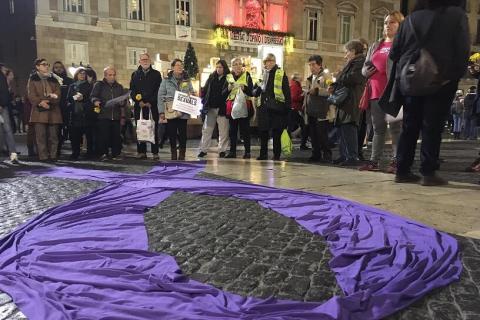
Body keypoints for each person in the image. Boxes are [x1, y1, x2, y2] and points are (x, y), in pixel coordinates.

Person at [391, 0, 469, 186]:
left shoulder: (411, 18)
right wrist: (452, 75)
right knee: (432, 126)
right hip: (441, 78)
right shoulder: (456, 15)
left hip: (411, 79)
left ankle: (402, 170)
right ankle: (428, 171)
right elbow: (462, 49)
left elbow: (395, 52)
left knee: (410, 125)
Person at [359, 11, 405, 173]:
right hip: (375, 92)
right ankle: (374, 161)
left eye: (392, 22)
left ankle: (397, 161)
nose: (388, 25)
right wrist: (366, 71)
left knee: (395, 129)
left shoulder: (401, 45)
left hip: (393, 93)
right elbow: (365, 66)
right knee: (378, 129)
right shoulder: (376, 45)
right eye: (386, 22)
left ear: (400, 25)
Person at [333, 40, 367, 166]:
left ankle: (352, 156)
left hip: (352, 99)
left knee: (349, 126)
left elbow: (353, 78)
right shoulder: (353, 62)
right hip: (346, 99)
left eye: (347, 52)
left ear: (353, 51)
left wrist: (339, 76)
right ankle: (344, 155)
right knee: (343, 127)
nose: (345, 55)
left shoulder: (360, 62)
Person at [254, 53, 291, 161]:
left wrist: (287, 109)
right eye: (266, 61)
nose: (268, 63)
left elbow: (286, 92)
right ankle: (263, 154)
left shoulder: (280, 73)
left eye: (271, 61)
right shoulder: (262, 74)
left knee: (276, 132)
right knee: (263, 132)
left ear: (274, 62)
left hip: (277, 107)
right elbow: (255, 92)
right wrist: (258, 89)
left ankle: (276, 154)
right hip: (264, 107)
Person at [158, 59, 196, 160]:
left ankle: (182, 153)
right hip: (171, 110)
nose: (180, 67)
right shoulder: (166, 80)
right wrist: (161, 111)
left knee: (183, 134)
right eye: (177, 65)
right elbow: (160, 96)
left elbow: (192, 92)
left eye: (181, 65)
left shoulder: (187, 80)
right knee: (172, 133)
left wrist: (192, 94)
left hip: (183, 110)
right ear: (173, 67)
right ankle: (173, 153)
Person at [27, 58, 62, 162]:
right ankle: (43, 156)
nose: (46, 66)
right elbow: (31, 94)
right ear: (37, 66)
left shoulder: (54, 79)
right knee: (40, 136)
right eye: (44, 64)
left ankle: (53, 155)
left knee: (53, 135)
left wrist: (50, 100)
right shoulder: (33, 79)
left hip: (53, 110)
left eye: (47, 64)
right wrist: (40, 102)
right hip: (39, 111)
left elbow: (58, 94)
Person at [130, 53, 162, 160]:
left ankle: (155, 152)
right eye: (143, 59)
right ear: (139, 61)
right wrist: (138, 101)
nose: (145, 61)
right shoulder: (135, 74)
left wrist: (151, 101)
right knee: (140, 128)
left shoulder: (156, 74)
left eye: (147, 59)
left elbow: (158, 90)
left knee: (153, 128)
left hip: (152, 107)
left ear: (150, 61)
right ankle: (141, 151)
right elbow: (132, 90)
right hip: (139, 106)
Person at [91, 66, 127, 161]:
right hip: (103, 114)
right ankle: (104, 153)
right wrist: (96, 101)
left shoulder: (119, 87)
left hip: (115, 115)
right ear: (105, 76)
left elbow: (124, 101)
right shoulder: (99, 85)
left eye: (114, 75)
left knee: (116, 136)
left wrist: (122, 102)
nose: (112, 77)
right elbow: (93, 96)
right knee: (104, 136)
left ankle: (116, 154)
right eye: (110, 75)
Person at [198, 59, 230, 158]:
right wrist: (202, 97)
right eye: (217, 67)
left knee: (223, 130)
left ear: (224, 68)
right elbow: (205, 89)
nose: (218, 69)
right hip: (211, 107)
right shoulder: (212, 77)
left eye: (220, 67)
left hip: (222, 108)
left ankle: (222, 150)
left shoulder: (229, 78)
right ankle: (203, 149)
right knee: (207, 129)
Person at [304, 55, 332, 162]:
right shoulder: (310, 78)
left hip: (321, 110)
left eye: (313, 65)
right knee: (313, 135)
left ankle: (327, 155)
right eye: (310, 65)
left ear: (319, 65)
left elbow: (330, 91)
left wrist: (317, 91)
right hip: (311, 110)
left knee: (322, 135)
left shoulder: (326, 76)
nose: (311, 67)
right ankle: (316, 154)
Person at [225, 57, 254, 159]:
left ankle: (247, 152)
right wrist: (228, 89)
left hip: (244, 107)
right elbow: (223, 93)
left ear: (242, 66)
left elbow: (252, 92)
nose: (237, 66)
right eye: (235, 64)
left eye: (239, 64)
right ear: (232, 67)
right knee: (232, 131)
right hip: (232, 107)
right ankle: (232, 152)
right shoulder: (228, 77)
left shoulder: (247, 76)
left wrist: (244, 88)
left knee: (245, 130)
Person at [66, 68, 93, 160]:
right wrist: (75, 98)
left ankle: (89, 153)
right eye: (80, 73)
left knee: (89, 135)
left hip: (85, 114)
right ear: (76, 75)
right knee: (75, 136)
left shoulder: (89, 86)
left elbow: (91, 99)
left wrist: (83, 99)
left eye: (84, 73)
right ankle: (75, 153)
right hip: (75, 113)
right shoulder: (72, 86)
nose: (82, 75)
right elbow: (68, 98)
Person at [52, 61, 73, 158]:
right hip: (55, 109)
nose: (58, 69)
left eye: (60, 67)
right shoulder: (51, 80)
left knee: (70, 130)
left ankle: (74, 151)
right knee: (56, 131)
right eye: (56, 67)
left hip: (67, 109)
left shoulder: (69, 81)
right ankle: (56, 151)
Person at [0, 63, 19, 163]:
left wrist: (1, 104)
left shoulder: (1, 75)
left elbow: (3, 91)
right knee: (6, 131)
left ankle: (13, 153)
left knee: (7, 130)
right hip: (3, 106)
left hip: (2, 107)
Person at [289, 73, 310, 150]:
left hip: (294, 109)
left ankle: (301, 143)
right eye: (300, 77)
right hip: (295, 109)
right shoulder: (295, 85)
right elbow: (294, 97)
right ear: (296, 78)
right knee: (304, 126)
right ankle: (302, 144)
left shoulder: (294, 85)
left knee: (301, 126)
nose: (301, 79)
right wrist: (302, 95)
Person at [84, 67, 98, 158]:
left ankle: (95, 151)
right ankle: (90, 151)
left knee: (95, 133)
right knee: (89, 133)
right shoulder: (84, 86)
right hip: (87, 112)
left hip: (95, 112)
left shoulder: (96, 85)